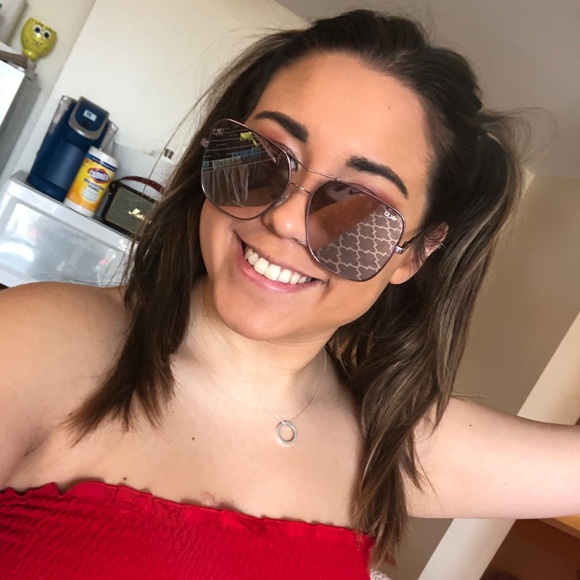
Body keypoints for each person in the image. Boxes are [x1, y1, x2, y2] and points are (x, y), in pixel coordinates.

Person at [0, 9, 578, 579]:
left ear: (415, 254)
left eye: (357, 208)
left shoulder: (390, 443)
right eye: (262, 158)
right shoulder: (42, 342)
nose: (284, 220)